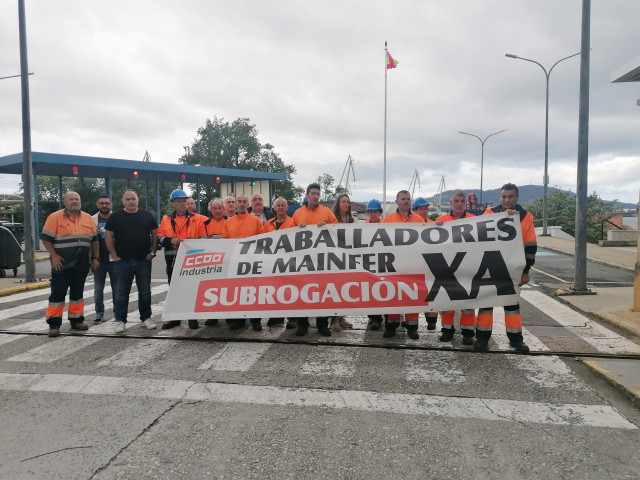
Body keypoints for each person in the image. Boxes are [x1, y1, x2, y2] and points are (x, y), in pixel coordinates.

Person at [476, 183, 536, 353]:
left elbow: (530, 246)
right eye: (504, 196)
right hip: (490, 265)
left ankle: (516, 340)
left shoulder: (525, 217)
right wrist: (504, 217)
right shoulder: (489, 213)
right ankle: (482, 339)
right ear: (500, 197)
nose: (507, 200)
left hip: (512, 268)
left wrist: (526, 271)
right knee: (486, 304)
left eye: (510, 196)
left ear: (517, 197)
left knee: (512, 307)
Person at [40, 191, 99, 337]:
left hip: (82, 263)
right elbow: (46, 238)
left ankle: (76, 321)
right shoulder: (54, 217)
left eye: (77, 199)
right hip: (61, 262)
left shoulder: (87, 218)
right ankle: (54, 324)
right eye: (71, 199)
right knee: (58, 293)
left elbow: (95, 240)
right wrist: (54, 256)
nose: (74, 201)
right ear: (64, 201)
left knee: (77, 293)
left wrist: (96, 258)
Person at [105, 189, 159, 334]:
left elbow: (155, 235)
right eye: (127, 199)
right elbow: (108, 237)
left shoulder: (147, 215)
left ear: (138, 200)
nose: (130, 201)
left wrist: (152, 252)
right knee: (121, 293)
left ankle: (146, 318)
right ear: (122, 201)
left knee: (145, 292)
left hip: (143, 261)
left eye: (133, 198)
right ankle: (120, 320)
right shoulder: (115, 217)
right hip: (122, 261)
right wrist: (114, 256)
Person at [292, 182, 338, 337]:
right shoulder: (297, 214)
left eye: (318, 194)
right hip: (303, 261)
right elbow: (289, 236)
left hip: (322, 260)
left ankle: (322, 324)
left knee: (322, 292)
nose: (315, 196)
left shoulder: (327, 213)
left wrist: (327, 227)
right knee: (302, 292)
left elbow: (338, 232)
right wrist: (298, 229)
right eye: (312, 193)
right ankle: (302, 324)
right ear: (307, 195)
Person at [158, 189, 207, 330]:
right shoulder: (166, 220)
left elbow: (203, 239)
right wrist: (171, 240)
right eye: (179, 201)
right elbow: (160, 238)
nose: (182, 204)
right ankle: (175, 318)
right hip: (172, 259)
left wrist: (188, 242)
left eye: (184, 201)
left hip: (191, 259)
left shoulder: (196, 219)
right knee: (174, 289)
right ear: (173, 203)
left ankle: (192, 317)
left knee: (192, 289)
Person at [381, 190, 425, 339]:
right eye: (403, 199)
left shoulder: (419, 220)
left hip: (413, 264)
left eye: (408, 199)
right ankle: (391, 326)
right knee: (393, 295)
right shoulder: (388, 220)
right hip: (393, 266)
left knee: (412, 294)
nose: (406, 201)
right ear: (397, 202)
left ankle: (412, 327)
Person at [435, 189, 476, 345]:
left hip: (468, 268)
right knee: (447, 302)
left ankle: (468, 333)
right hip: (447, 268)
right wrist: (435, 228)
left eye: (462, 201)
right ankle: (447, 330)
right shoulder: (440, 220)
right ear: (450, 203)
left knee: (468, 303)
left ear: (466, 203)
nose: (459, 204)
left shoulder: (475, 220)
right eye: (456, 201)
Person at [222, 194, 264, 331]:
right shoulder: (228, 222)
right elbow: (224, 242)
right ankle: (238, 320)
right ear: (235, 204)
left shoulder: (256, 221)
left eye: (244, 202)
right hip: (234, 262)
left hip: (252, 262)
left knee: (253, 291)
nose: (241, 204)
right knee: (236, 291)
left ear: (248, 204)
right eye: (238, 201)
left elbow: (263, 240)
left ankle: (256, 320)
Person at [261, 197, 296, 329]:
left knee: (291, 289)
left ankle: (293, 318)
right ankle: (277, 316)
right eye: (278, 205)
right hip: (273, 262)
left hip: (290, 262)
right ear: (274, 208)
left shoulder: (293, 222)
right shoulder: (267, 224)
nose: (280, 207)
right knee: (275, 290)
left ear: (287, 208)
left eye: (283, 205)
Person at [329, 193, 355, 331]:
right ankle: (334, 320)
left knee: (345, 289)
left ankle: (341, 317)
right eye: (343, 202)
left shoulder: (352, 220)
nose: (346, 204)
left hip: (348, 259)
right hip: (334, 259)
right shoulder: (332, 220)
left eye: (348, 202)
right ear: (338, 204)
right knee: (335, 289)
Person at [412, 197, 438, 330]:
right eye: (420, 208)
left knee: (432, 293)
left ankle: (432, 320)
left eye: (425, 208)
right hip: (414, 265)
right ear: (414, 210)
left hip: (430, 266)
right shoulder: (409, 226)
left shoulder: (435, 224)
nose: (423, 211)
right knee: (415, 294)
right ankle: (412, 325)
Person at [202, 199, 227, 328]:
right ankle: (212, 316)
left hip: (227, 261)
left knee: (226, 289)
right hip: (211, 262)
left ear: (224, 209)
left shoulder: (229, 222)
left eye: (220, 208)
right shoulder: (204, 224)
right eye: (215, 208)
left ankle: (228, 315)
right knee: (212, 289)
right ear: (210, 209)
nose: (217, 211)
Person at [91, 195, 115, 323]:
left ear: (111, 205)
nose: (104, 206)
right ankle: (99, 312)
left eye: (107, 203)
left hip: (114, 259)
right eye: (101, 203)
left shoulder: (117, 218)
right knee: (98, 288)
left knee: (117, 288)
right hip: (98, 260)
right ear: (97, 205)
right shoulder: (91, 220)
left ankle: (118, 312)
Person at [365, 199, 384, 331]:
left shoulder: (388, 226)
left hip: (383, 263)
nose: (373, 214)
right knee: (369, 291)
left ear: (380, 212)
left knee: (380, 290)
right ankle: (372, 317)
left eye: (375, 211)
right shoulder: (362, 227)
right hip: (368, 263)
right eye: (371, 211)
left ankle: (378, 318)